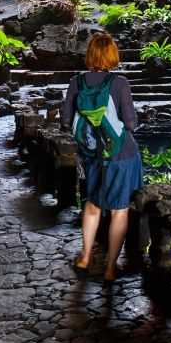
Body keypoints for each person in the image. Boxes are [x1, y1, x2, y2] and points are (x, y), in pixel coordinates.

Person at [61, 33, 143, 282]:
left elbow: (66, 122)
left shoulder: (77, 82)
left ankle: (85, 257)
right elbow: (130, 123)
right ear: (112, 55)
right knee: (120, 211)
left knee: (93, 205)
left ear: (90, 55)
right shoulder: (119, 83)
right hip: (121, 154)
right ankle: (110, 268)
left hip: (92, 154)